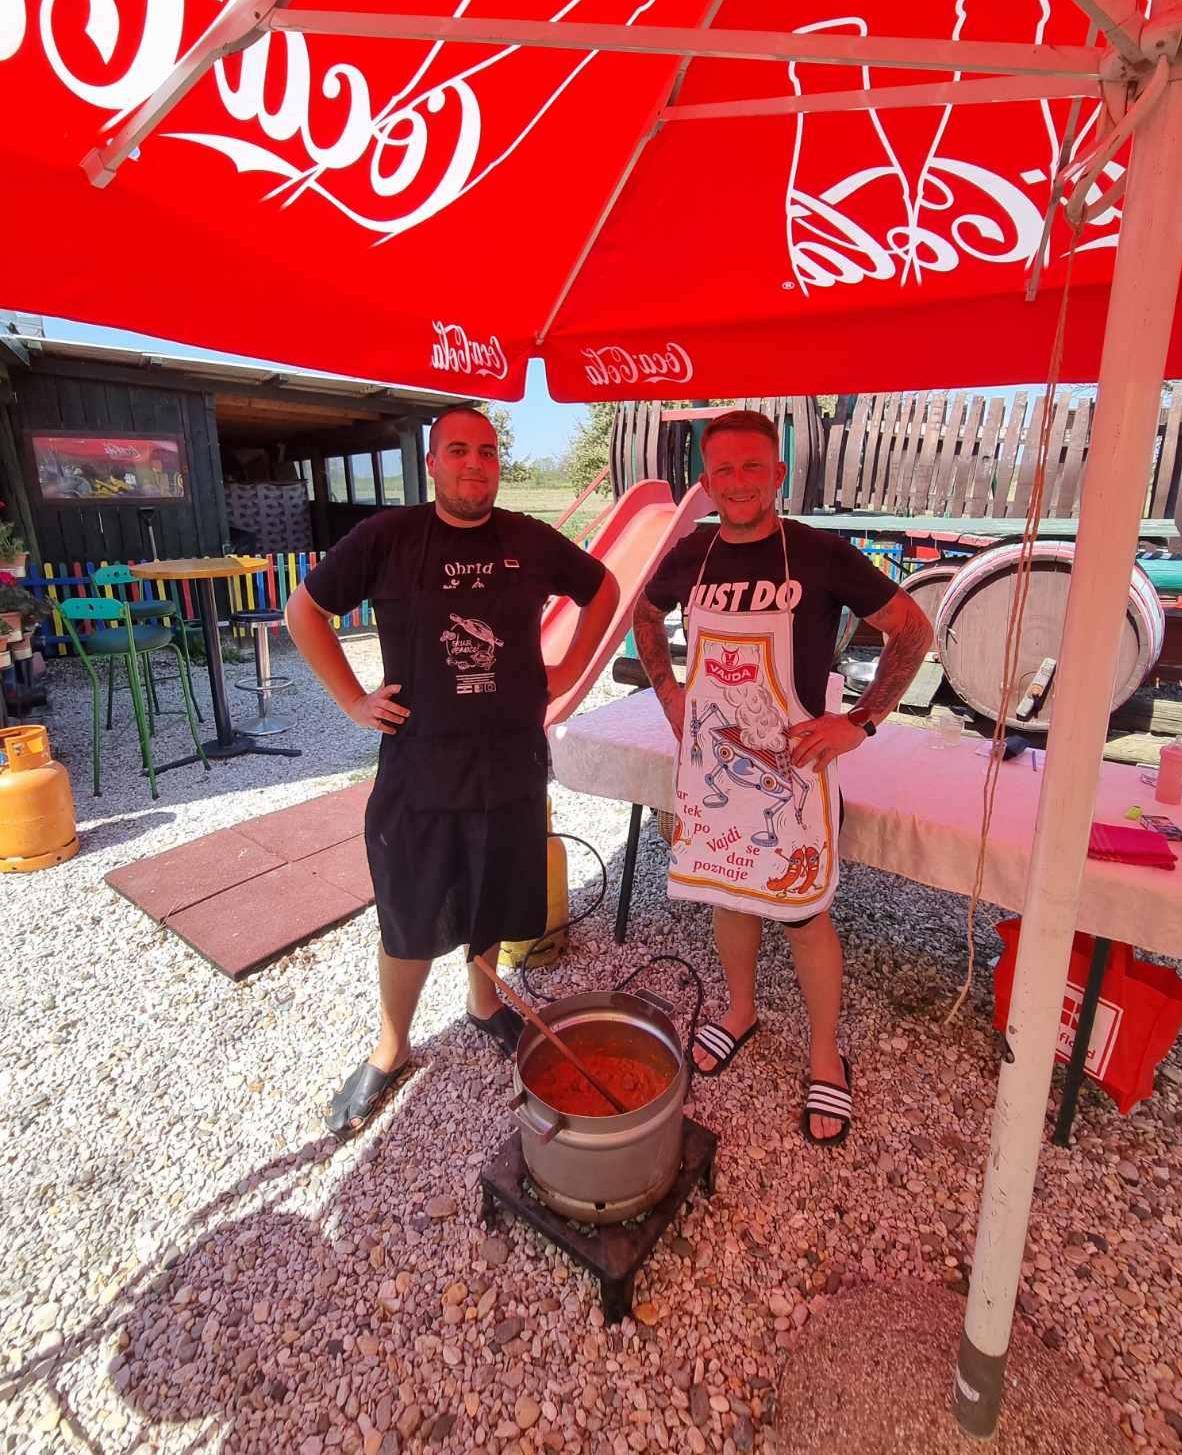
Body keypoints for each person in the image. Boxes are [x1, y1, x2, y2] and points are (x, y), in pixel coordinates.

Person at [287, 408, 619, 1137]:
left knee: (492, 891)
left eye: (488, 452)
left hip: (511, 760)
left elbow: (605, 589)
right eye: (459, 450)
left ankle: (484, 1002)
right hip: (420, 767)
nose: (475, 463)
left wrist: (571, 670)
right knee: (407, 910)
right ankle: (392, 1045)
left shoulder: (527, 539)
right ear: (433, 463)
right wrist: (352, 700)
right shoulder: (387, 537)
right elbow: (302, 611)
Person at [633, 410, 931, 1145]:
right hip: (716, 763)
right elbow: (645, 615)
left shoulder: (820, 553)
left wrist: (859, 722)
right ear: (706, 483)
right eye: (723, 470)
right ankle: (741, 1011)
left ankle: (825, 1053)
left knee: (802, 915)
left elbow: (912, 628)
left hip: (794, 767)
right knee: (729, 894)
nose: (738, 482)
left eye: (752, 467)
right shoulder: (692, 553)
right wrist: (669, 693)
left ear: (778, 475)